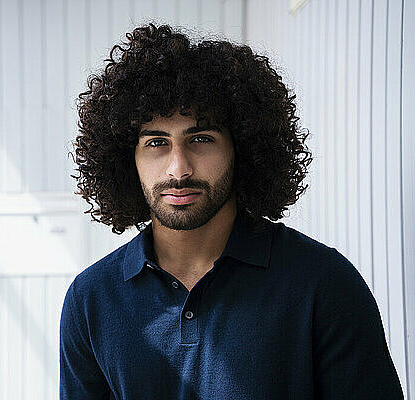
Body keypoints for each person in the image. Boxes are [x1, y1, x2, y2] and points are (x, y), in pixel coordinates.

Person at [60, 22, 403, 399]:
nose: (179, 169)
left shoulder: (322, 283)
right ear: (128, 161)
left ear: (243, 149)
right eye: (156, 142)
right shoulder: (91, 299)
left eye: (201, 139)